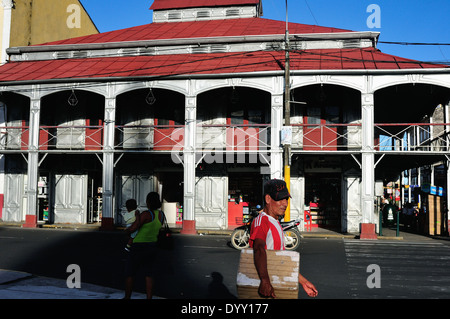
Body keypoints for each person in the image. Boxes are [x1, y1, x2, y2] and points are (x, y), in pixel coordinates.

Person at [249, 179, 318, 298]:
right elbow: (258, 249)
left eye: (286, 199)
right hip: (267, 288)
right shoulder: (262, 222)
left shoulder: (275, 222)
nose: (285, 203)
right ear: (268, 199)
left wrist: (303, 282)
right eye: (280, 199)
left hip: (277, 286)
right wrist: (265, 281)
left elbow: (281, 261)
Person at [124, 192, 165, 299]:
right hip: (152, 245)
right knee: (149, 274)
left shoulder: (146, 214)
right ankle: (149, 298)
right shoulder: (161, 215)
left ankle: (127, 297)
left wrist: (127, 231)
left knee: (130, 272)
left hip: (138, 246)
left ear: (148, 202)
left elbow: (135, 227)